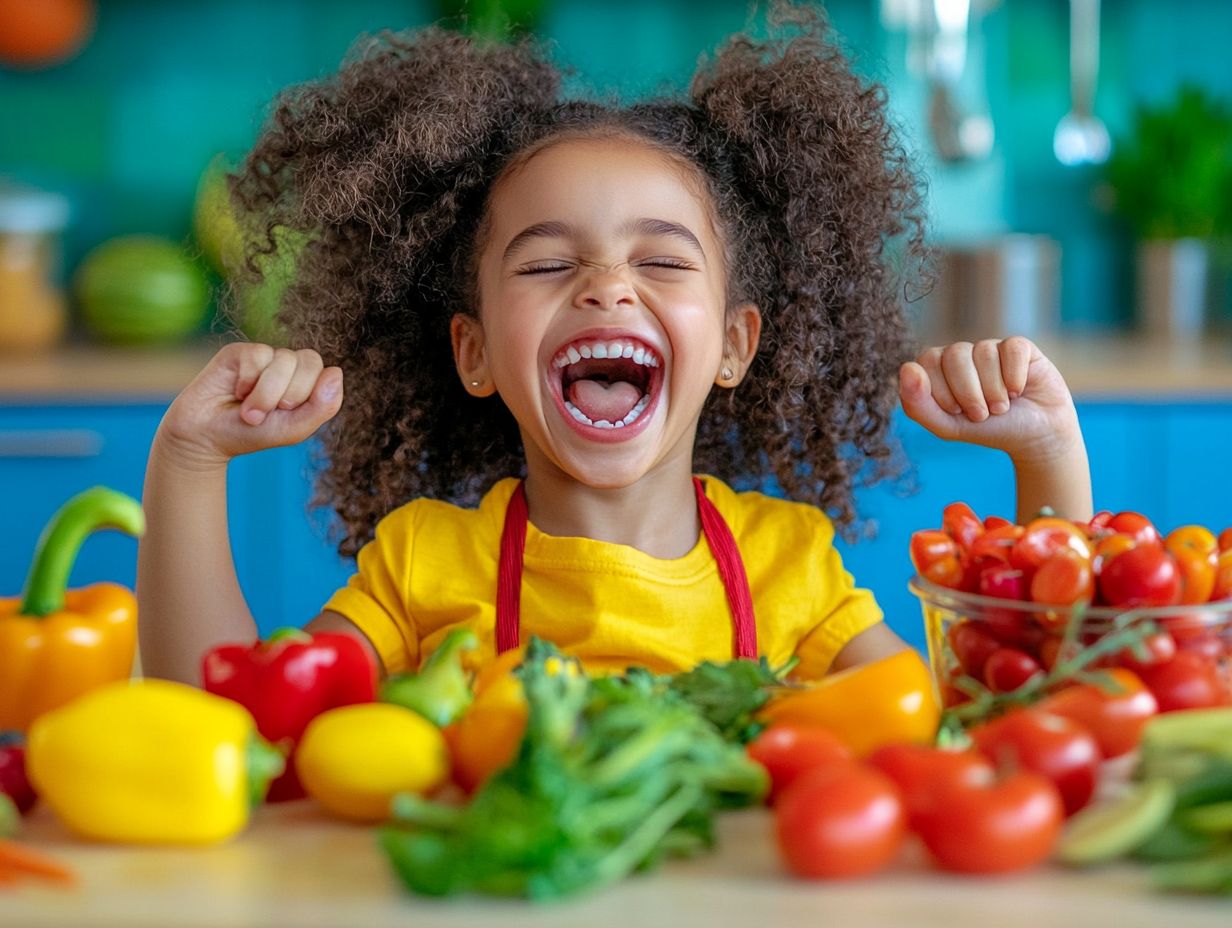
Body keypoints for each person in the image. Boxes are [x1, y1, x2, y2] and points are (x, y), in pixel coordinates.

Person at [137, 8, 1091, 686]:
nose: (607, 285)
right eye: (548, 264)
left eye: (662, 263)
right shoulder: (422, 566)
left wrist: (1047, 460)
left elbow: (995, 721)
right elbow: (225, 724)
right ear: (472, 353)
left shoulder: (788, 567)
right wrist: (187, 461)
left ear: (732, 344)